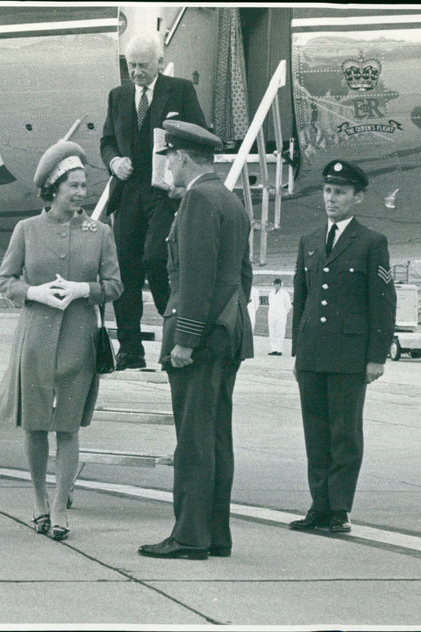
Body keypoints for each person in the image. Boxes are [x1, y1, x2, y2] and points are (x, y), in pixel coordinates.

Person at [0, 141, 123, 541]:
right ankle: (37, 501)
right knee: (34, 426)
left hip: (78, 342)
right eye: (74, 185)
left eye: (85, 184)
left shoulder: (100, 232)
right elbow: (5, 280)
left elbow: (115, 285)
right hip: (35, 339)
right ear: (53, 187)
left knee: (67, 428)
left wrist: (84, 289)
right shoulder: (27, 230)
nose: (82, 191)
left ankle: (60, 506)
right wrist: (33, 293)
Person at [138, 120, 253, 560]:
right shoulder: (230, 201)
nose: (167, 164)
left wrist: (184, 340)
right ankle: (215, 535)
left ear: (182, 157)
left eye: (168, 156)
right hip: (226, 332)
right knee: (215, 436)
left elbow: (197, 277)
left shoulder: (198, 201)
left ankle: (189, 536)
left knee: (192, 440)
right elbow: (241, 277)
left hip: (199, 338)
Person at [290, 159, 396, 534]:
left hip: (350, 356)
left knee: (344, 434)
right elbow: (301, 299)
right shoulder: (310, 241)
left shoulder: (371, 242)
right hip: (313, 354)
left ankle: (339, 510)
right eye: (327, 190)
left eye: (340, 192)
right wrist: (298, 353)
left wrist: (375, 357)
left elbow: (382, 302)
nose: (331, 198)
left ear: (358, 197)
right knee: (315, 433)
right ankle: (318, 506)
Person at [100, 33, 207, 370]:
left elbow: (198, 135)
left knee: (157, 259)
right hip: (128, 193)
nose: (136, 72)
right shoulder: (117, 96)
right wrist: (115, 161)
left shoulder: (180, 90)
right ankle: (129, 349)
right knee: (125, 271)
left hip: (164, 192)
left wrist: (183, 178)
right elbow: (106, 142)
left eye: (143, 65)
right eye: (131, 66)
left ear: (159, 62)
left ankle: (172, 333)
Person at [267, 278, 292, 355]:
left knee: (280, 332)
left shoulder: (285, 294)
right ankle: (273, 349)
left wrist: (283, 313)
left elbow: (288, 306)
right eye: (275, 284)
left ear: (281, 285)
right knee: (272, 331)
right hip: (272, 315)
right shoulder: (271, 293)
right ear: (273, 284)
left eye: (278, 284)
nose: (276, 286)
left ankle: (279, 350)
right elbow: (270, 303)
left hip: (281, 315)